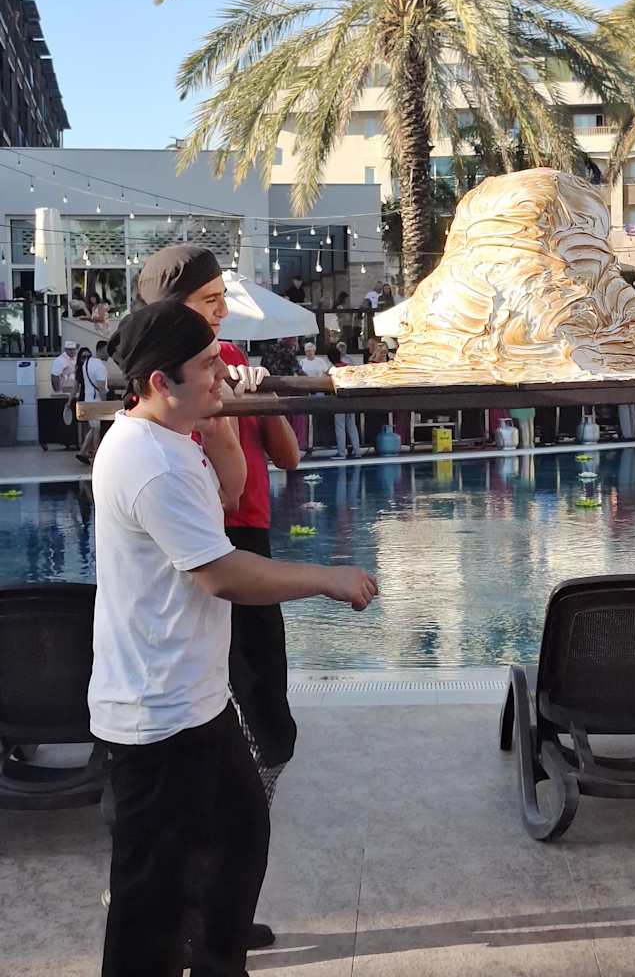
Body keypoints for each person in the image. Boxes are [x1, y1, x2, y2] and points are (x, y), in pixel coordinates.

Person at [93, 300, 378, 977]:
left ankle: (221, 965)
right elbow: (221, 573)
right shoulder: (151, 463)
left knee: (241, 836)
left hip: (195, 701)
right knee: (150, 914)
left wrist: (220, 421)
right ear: (160, 382)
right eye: (205, 367)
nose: (221, 374)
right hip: (157, 716)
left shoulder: (172, 439)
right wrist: (326, 578)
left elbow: (230, 495)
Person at [138, 244, 302, 952]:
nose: (221, 314)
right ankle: (197, 904)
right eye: (208, 303)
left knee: (266, 727)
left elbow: (286, 458)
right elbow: (222, 492)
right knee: (207, 737)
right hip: (209, 550)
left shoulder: (226, 362)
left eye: (221, 301)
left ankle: (218, 901)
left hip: (245, 542)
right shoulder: (161, 392)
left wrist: (260, 400)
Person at [75, 340, 108, 465]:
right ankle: (97, 457)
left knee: (94, 428)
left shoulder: (87, 363)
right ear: (102, 350)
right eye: (107, 351)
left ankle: (83, 451)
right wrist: (105, 405)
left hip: (88, 399)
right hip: (96, 401)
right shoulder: (100, 367)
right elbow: (102, 388)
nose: (109, 354)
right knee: (96, 430)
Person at [327, 344, 361, 458]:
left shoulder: (332, 370)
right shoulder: (348, 367)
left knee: (340, 426)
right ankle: (357, 451)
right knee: (352, 426)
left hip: (338, 400)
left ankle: (342, 452)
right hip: (350, 400)